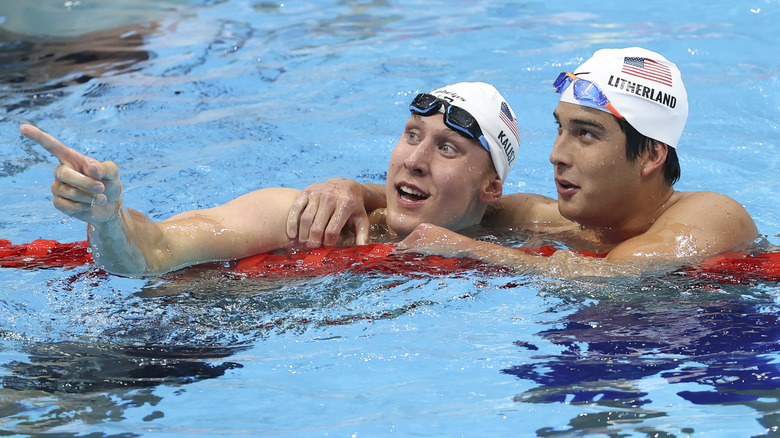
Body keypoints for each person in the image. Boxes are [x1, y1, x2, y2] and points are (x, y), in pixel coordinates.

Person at [287, 47, 758, 276]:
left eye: (586, 135)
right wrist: (347, 188)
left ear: (652, 154)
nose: (557, 153)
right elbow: (459, 203)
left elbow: (616, 277)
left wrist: (471, 249)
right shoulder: (552, 220)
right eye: (560, 128)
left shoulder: (712, 214)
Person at [20, 81, 521, 277]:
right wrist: (108, 219)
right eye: (412, 135)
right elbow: (154, 251)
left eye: (447, 148)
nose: (414, 160)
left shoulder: (518, 235)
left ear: (491, 188)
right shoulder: (306, 216)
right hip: (167, 343)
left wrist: (478, 250)